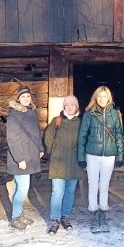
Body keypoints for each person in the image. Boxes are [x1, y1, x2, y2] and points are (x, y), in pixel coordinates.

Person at [77, 86, 124, 233]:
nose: (102, 99)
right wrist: (81, 157)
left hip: (109, 155)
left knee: (104, 186)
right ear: (95, 98)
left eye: (105, 96)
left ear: (108, 98)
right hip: (92, 155)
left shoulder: (114, 115)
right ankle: (93, 214)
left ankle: (103, 213)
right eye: (99, 96)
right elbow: (82, 137)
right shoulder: (89, 115)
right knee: (93, 185)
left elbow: (118, 135)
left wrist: (120, 155)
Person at [44, 95, 86, 235]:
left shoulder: (81, 123)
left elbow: (85, 141)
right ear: (64, 107)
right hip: (58, 162)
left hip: (74, 162)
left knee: (70, 192)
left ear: (77, 107)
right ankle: (55, 220)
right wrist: (53, 152)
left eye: (72, 105)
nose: (69, 107)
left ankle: (65, 217)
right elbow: (48, 138)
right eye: (67, 105)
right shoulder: (57, 121)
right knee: (57, 192)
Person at [7, 85, 44, 230]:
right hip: (21, 156)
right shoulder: (14, 114)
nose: (26, 99)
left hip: (31, 153)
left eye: (28, 96)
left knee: (18, 186)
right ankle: (15, 217)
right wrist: (19, 159)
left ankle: (18, 214)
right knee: (23, 187)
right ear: (18, 99)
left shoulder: (31, 112)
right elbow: (12, 138)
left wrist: (40, 148)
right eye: (23, 96)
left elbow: (36, 133)